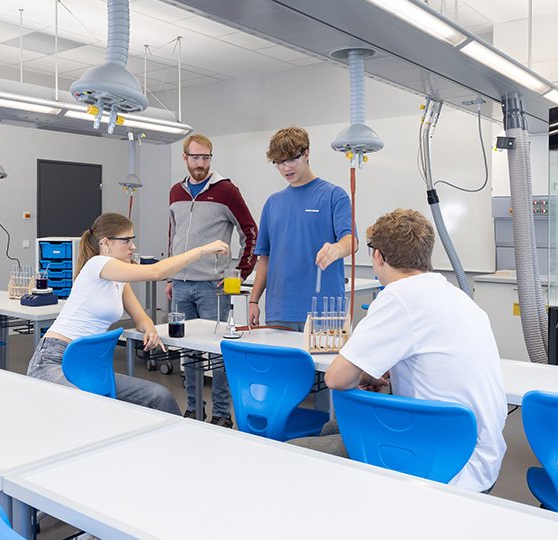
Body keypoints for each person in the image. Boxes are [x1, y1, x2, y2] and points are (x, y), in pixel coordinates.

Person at [292, 209, 507, 494]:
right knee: (333, 428)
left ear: (378, 256)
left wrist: (359, 374)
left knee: (291, 453)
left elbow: (336, 379)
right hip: (479, 455)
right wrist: (379, 375)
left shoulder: (398, 296)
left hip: (440, 461)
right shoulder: (458, 297)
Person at [27, 212, 229, 415]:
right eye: (126, 241)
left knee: (160, 396)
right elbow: (156, 272)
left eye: (132, 240)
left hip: (88, 364)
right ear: (106, 243)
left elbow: (141, 318)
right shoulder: (97, 263)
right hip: (53, 360)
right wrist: (202, 251)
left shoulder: (119, 279)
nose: (133, 246)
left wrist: (149, 329)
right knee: (85, 410)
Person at [167, 133, 258, 427]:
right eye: (195, 157)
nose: (201, 163)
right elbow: (174, 236)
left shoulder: (226, 191)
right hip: (181, 284)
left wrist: (240, 273)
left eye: (206, 157)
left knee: (219, 354)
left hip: (212, 287)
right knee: (189, 352)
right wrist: (170, 275)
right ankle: (194, 409)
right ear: (185, 158)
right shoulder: (176, 192)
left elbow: (251, 233)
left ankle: (221, 413)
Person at [248, 127, 356, 331]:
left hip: (324, 313)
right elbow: (265, 258)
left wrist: (336, 249)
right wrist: (254, 300)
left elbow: (351, 240)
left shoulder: (334, 195)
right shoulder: (273, 203)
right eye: (279, 162)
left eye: (292, 159)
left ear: (306, 154)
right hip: (280, 310)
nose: (286, 168)